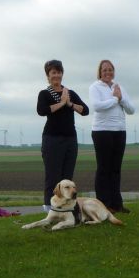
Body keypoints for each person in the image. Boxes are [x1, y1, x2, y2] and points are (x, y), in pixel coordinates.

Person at [37, 60, 89, 211]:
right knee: (52, 176)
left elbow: (85, 110)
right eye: (53, 72)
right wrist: (61, 103)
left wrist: (70, 104)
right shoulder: (45, 93)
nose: (57, 75)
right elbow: (41, 110)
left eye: (59, 72)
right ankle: (49, 207)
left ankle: (66, 207)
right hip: (52, 139)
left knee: (67, 176)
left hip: (70, 139)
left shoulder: (70, 93)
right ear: (48, 75)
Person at [89, 60, 135, 213]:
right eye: (105, 70)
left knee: (116, 169)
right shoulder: (95, 87)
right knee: (104, 168)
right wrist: (115, 99)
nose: (108, 72)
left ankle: (116, 204)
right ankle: (104, 204)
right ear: (100, 72)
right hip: (102, 131)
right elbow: (97, 106)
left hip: (119, 131)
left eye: (110, 70)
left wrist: (121, 98)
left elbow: (131, 109)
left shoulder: (118, 87)